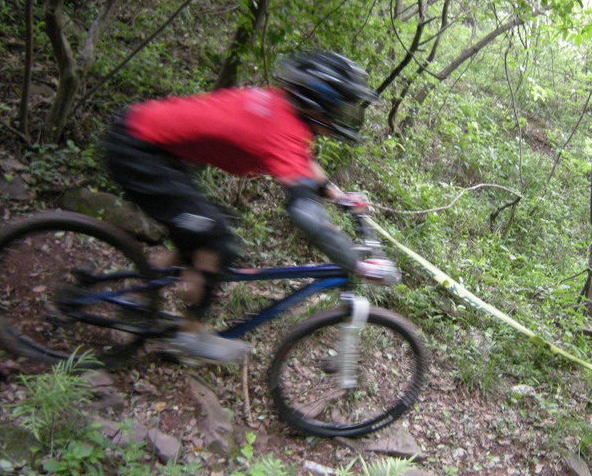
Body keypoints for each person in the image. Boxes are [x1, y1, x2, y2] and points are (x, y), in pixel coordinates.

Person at [102, 51, 399, 365]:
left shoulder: (282, 109)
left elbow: (302, 164)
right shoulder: (282, 128)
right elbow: (306, 213)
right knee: (217, 239)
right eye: (340, 107)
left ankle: (140, 298)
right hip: (138, 152)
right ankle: (190, 336)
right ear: (320, 102)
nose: (342, 116)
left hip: (152, 145)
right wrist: (359, 266)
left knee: (207, 227)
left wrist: (340, 196)